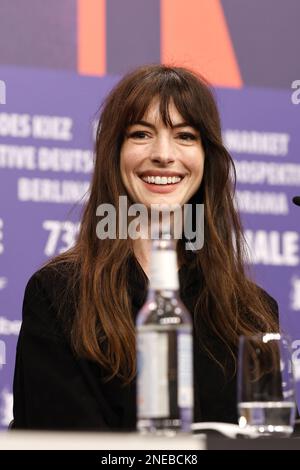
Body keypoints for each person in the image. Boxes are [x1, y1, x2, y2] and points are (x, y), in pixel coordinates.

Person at [13, 64, 279, 430]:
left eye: (185, 136)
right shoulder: (58, 295)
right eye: (141, 134)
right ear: (114, 154)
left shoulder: (253, 313)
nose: (164, 154)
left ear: (207, 158)